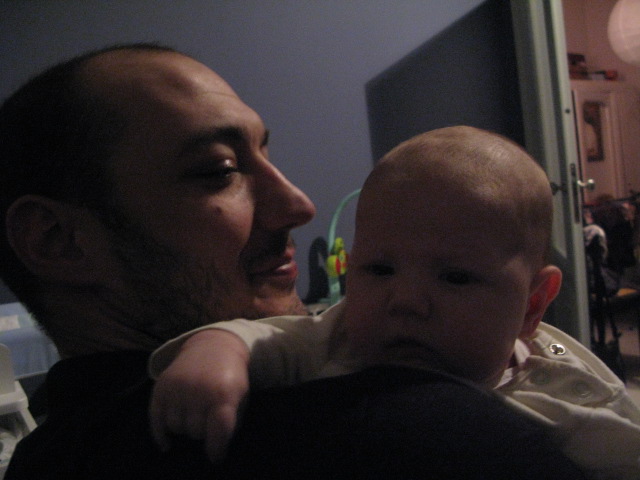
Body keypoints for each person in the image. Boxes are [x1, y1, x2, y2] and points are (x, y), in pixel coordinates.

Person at [0, 45, 587, 479]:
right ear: (58, 241)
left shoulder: (42, 457)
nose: (300, 205)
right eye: (219, 171)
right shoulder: (410, 429)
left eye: (266, 153)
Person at [150, 126, 640, 480]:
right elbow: (267, 337)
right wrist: (218, 351)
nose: (405, 302)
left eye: (455, 278)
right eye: (379, 269)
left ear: (533, 305)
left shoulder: (570, 393)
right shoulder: (335, 339)